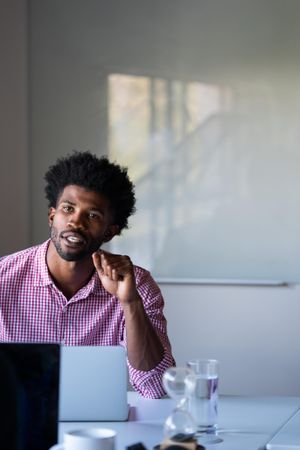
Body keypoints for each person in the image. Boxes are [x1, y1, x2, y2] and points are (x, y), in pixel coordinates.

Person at [0, 151, 175, 398]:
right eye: (68, 208)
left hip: (100, 430)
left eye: (93, 215)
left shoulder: (136, 286)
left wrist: (130, 303)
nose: (76, 222)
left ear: (109, 232)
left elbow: (156, 387)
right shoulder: (3, 278)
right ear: (52, 216)